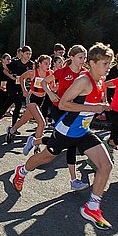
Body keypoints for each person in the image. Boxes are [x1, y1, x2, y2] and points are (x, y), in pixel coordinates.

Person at [11, 42, 115, 230]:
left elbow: (91, 105)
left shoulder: (99, 81)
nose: (108, 67)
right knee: (45, 158)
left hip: (82, 131)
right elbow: (64, 104)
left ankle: (92, 207)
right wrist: (92, 108)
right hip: (66, 130)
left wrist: (102, 107)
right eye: (105, 64)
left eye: (109, 63)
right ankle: (22, 171)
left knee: (106, 165)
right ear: (92, 63)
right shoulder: (83, 81)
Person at [40, 45, 88, 189]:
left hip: (75, 111)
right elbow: (44, 82)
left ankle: (74, 180)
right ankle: (36, 141)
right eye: (80, 57)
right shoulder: (63, 71)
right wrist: (50, 93)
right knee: (65, 142)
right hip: (59, 109)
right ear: (72, 57)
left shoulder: (85, 74)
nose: (83, 60)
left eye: (84, 58)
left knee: (69, 143)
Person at [0, 53, 12, 130]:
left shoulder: (10, 70)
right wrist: (0, 87)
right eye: (7, 59)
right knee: (1, 105)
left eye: (10, 59)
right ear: (3, 60)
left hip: (7, 89)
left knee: (5, 105)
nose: (9, 61)